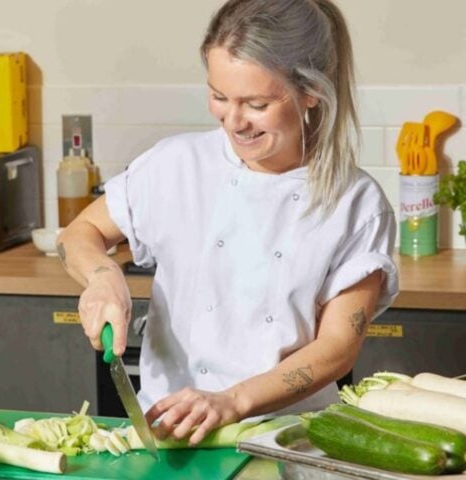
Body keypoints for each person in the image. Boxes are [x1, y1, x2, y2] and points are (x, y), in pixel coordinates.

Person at [57, 0, 398, 446]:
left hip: (288, 437)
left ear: (312, 92)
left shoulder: (356, 202)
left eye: (256, 103)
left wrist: (233, 401)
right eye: (219, 96)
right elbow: (79, 235)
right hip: (166, 432)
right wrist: (102, 277)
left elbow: (337, 349)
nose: (233, 121)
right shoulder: (175, 164)